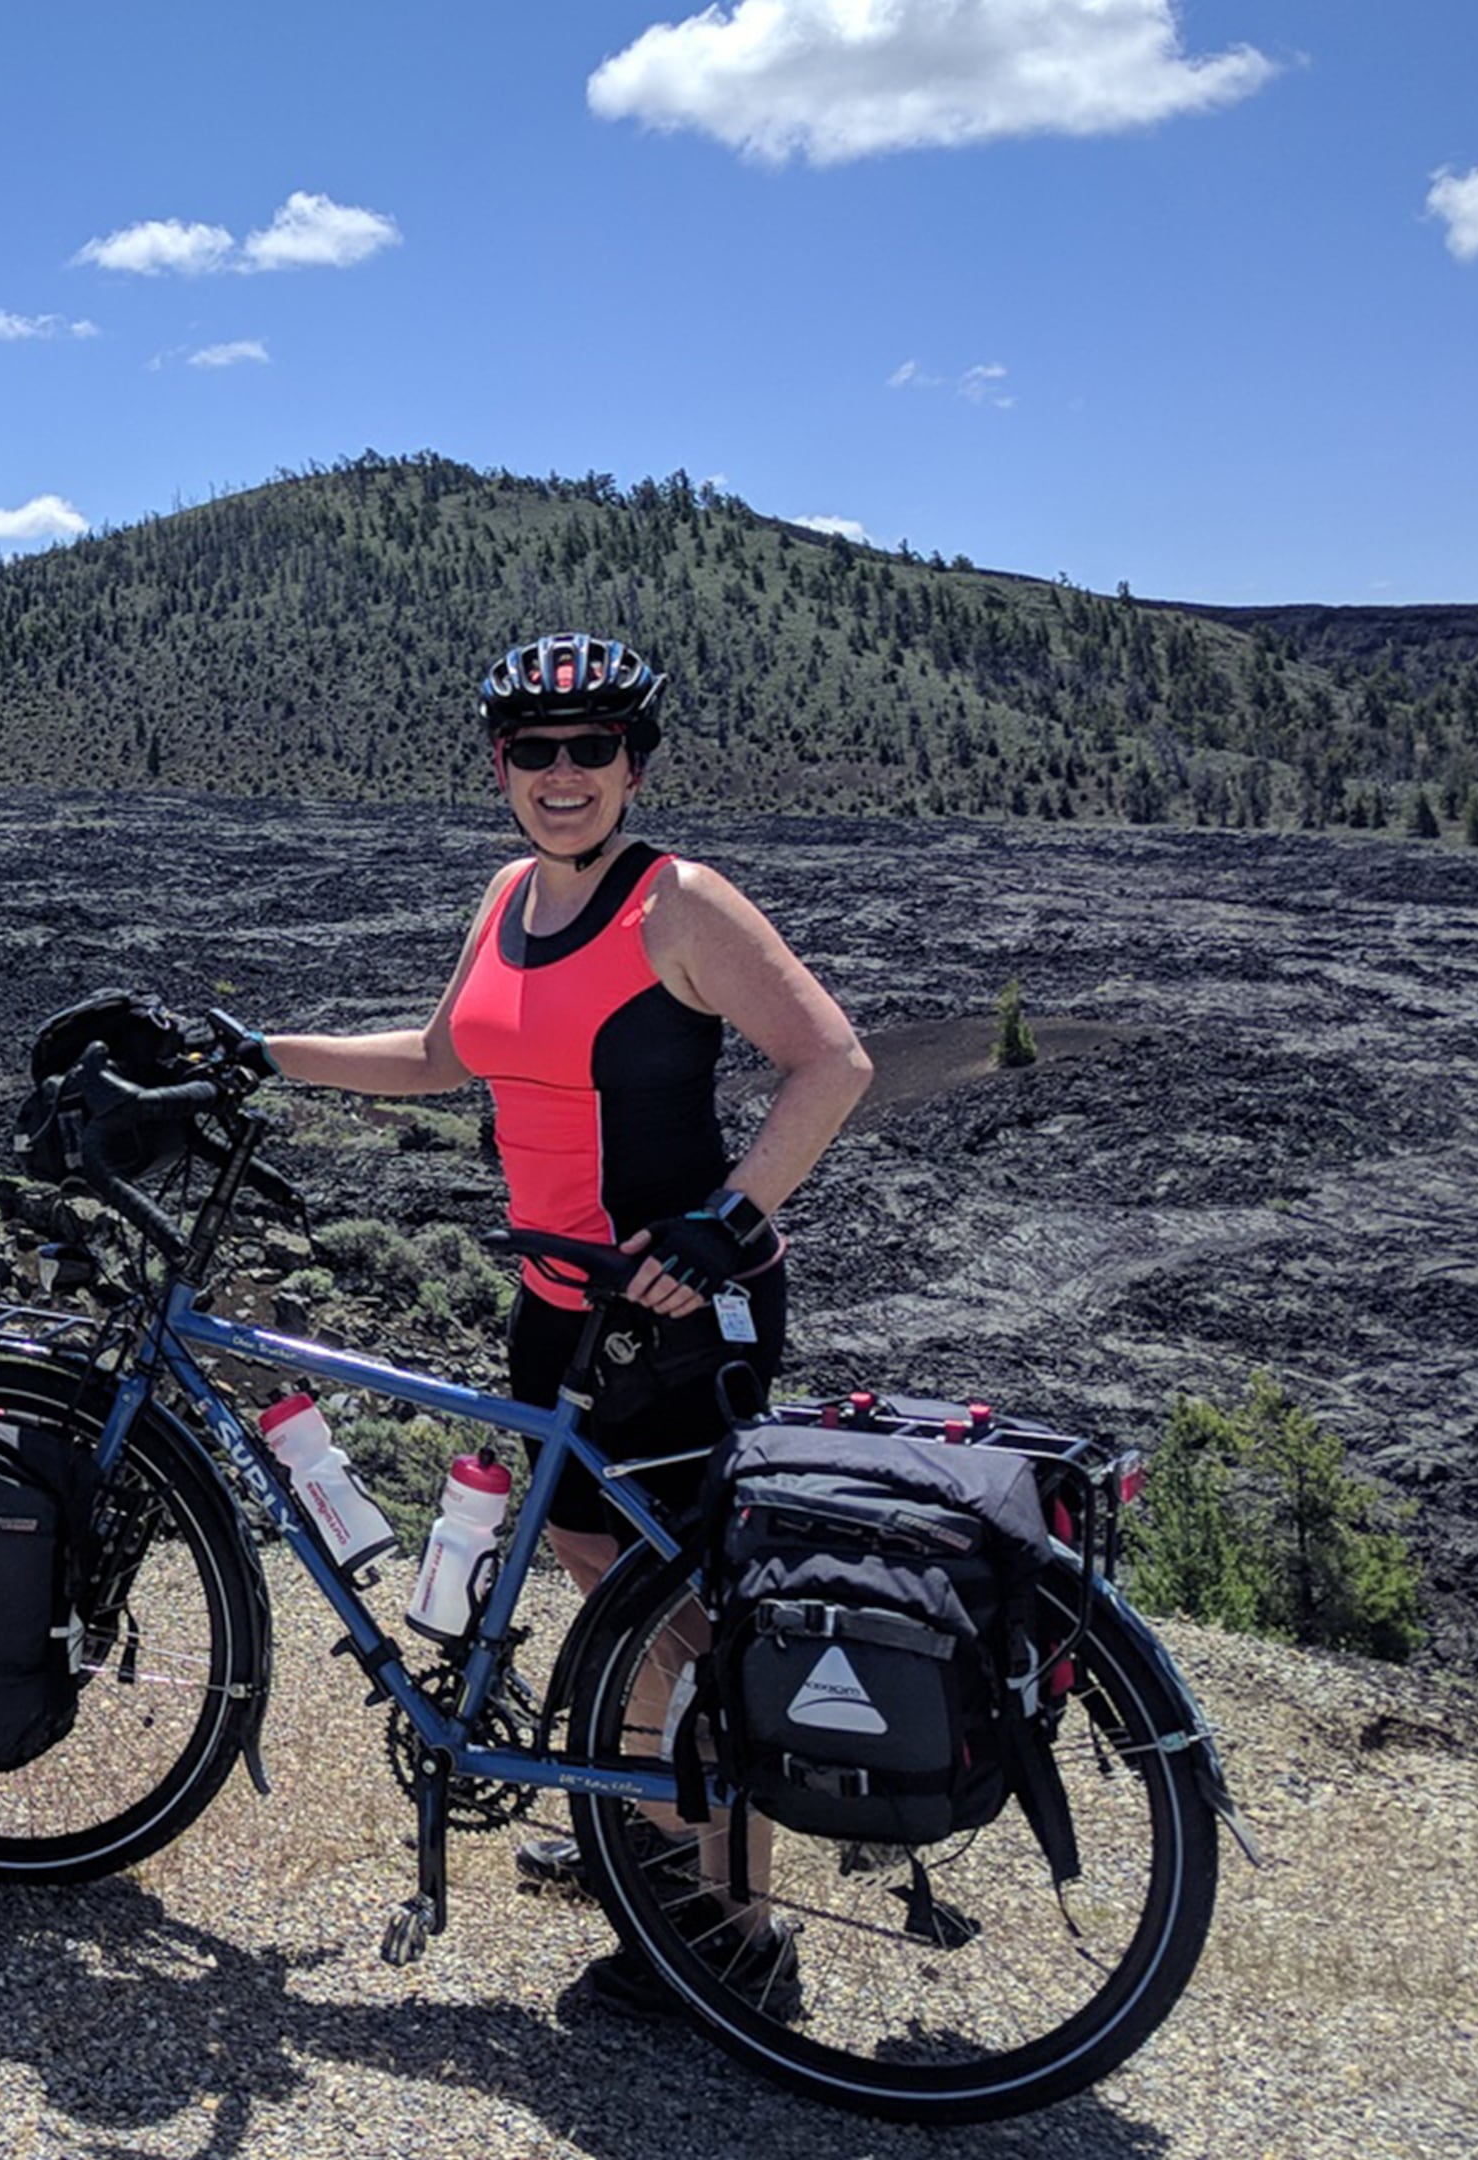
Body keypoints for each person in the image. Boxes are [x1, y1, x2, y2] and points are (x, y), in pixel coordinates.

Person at [251, 632, 872, 2016]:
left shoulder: (681, 905)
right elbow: (433, 1059)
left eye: (593, 750)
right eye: (537, 752)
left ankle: (734, 1941)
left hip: (670, 1316)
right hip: (558, 1315)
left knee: (689, 1615)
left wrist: (732, 1219)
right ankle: (647, 1831)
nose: (564, 774)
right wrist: (258, 1050)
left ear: (635, 765)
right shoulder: (505, 897)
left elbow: (834, 1062)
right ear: (500, 768)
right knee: (609, 1578)